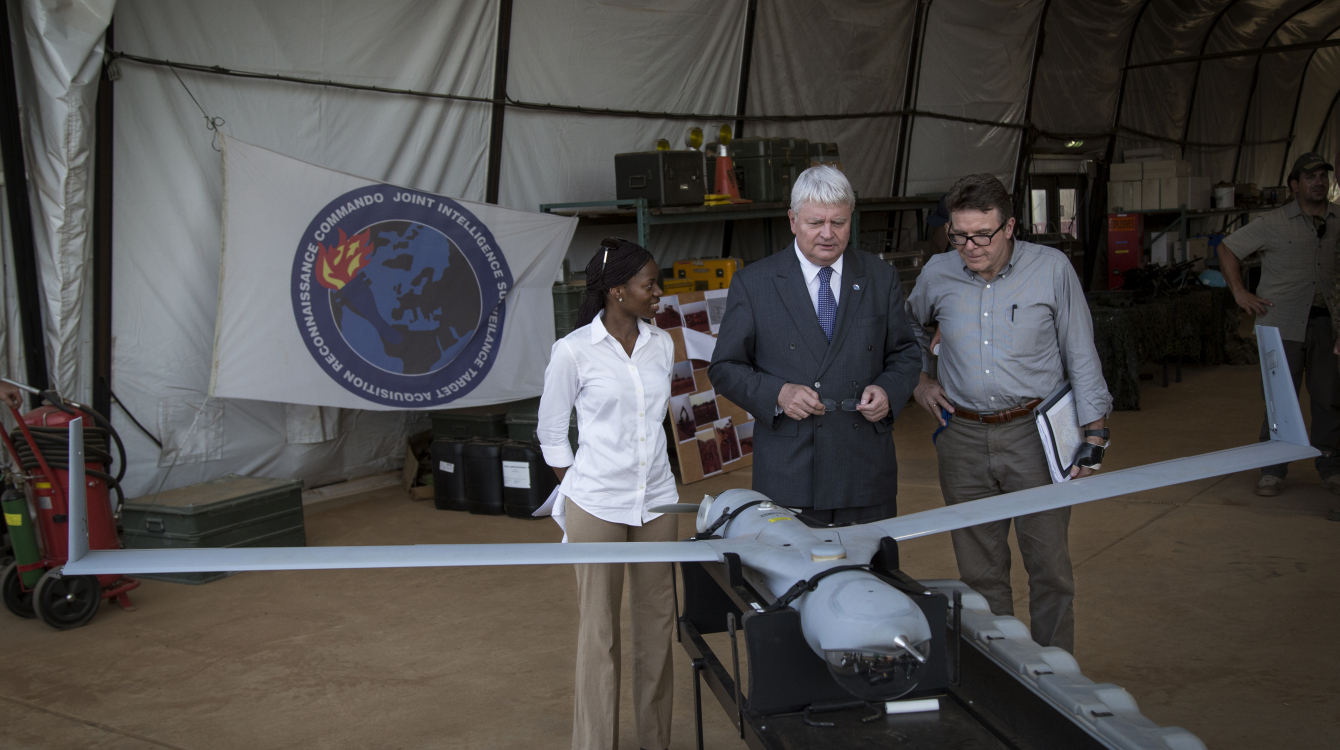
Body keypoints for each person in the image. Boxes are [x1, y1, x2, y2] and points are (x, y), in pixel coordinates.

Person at [906, 173, 1111, 653]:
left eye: (983, 234)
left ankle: (1057, 678)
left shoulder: (1052, 269)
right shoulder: (938, 273)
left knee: (1049, 568)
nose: (970, 246)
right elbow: (906, 330)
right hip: (963, 436)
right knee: (980, 573)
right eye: (959, 235)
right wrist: (921, 380)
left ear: (1011, 226)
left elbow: (1080, 350)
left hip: (1035, 435)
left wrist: (1095, 434)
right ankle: (1003, 671)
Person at [709, 166, 922, 524]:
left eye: (838, 223)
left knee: (873, 573)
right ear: (792, 220)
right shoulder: (755, 283)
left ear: (851, 219)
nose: (828, 234)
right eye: (815, 223)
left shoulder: (878, 277)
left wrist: (887, 392)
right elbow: (725, 368)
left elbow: (905, 353)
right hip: (790, 471)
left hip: (865, 470)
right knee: (796, 577)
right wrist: (778, 393)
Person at [537, 238, 677, 750]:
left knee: (657, 630)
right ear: (617, 291)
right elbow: (552, 433)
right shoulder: (573, 351)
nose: (658, 293)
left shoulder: (661, 344)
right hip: (595, 504)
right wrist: (576, 492)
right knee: (599, 635)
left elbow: (655, 424)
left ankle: (654, 742)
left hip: (657, 501)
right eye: (649, 285)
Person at [1219, 153, 1340, 498]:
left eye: (1323, 176)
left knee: (1329, 399)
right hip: (1281, 325)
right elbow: (1227, 248)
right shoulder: (1272, 222)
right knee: (1279, 401)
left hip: (1325, 324)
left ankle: (1330, 466)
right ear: (1294, 185)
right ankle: (1273, 469)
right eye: (1310, 177)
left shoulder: (1337, 219)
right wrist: (1240, 293)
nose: (1318, 182)